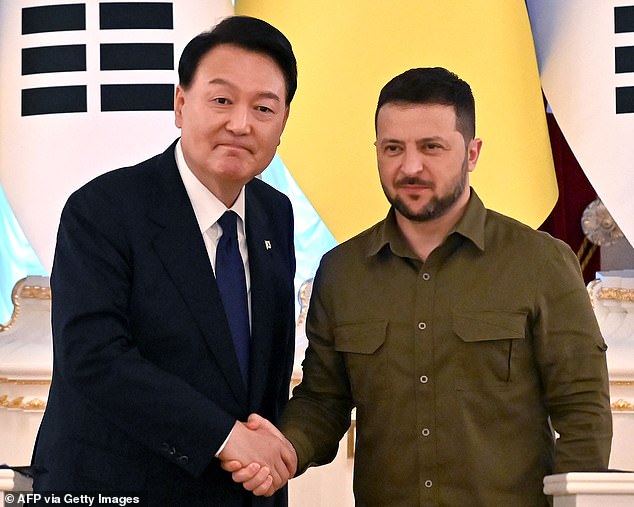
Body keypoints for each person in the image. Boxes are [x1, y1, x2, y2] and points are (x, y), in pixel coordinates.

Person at [228, 67, 613, 506]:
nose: (410, 167)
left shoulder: (541, 263)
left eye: (432, 147)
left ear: (471, 153)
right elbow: (324, 401)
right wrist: (284, 448)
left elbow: (583, 412)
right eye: (393, 148)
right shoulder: (342, 272)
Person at [31, 15, 297, 506]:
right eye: (221, 100)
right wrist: (224, 436)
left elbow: (266, 371)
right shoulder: (103, 209)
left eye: (263, 108)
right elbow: (94, 357)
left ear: (282, 124)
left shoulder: (274, 214)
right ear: (180, 104)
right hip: (116, 487)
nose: (240, 123)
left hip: (238, 494)